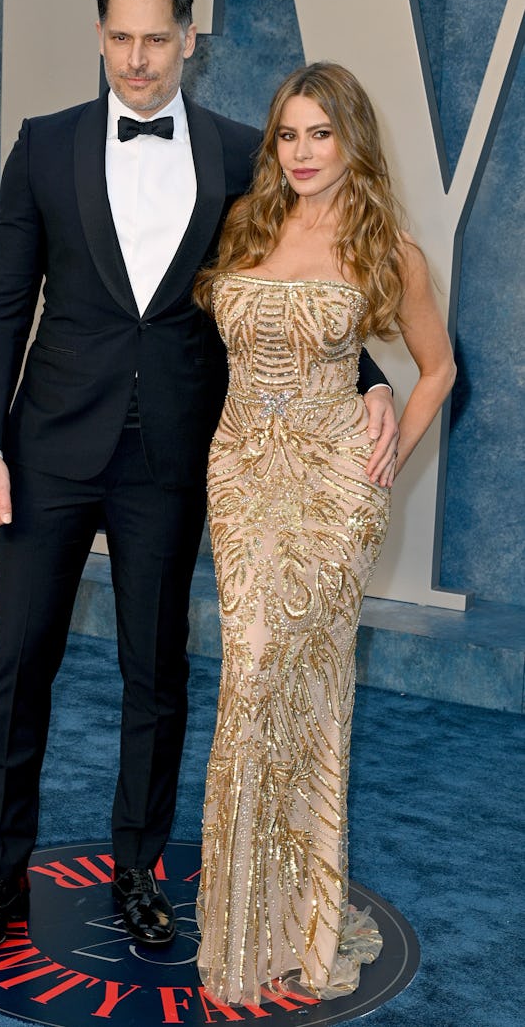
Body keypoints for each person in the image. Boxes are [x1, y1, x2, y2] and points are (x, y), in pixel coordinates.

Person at [0, 0, 398, 958]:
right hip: (50, 446)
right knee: (20, 662)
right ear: (100, 37)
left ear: (188, 42)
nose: (138, 59)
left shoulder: (246, 154)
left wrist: (367, 376)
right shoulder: (45, 146)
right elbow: (1, 303)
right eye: (120, 38)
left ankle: (139, 871)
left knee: (155, 671)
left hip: (177, 459)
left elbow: (298, 279)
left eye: (157, 39)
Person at [193, 61, 456, 1005]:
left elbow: (435, 366)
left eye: (321, 134)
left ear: (352, 140)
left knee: (284, 677)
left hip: (330, 491)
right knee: (255, 675)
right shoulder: (248, 224)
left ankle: (288, 916)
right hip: (240, 477)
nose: (302, 152)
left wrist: (382, 459)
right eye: (289, 135)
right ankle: (255, 912)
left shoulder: (388, 245)